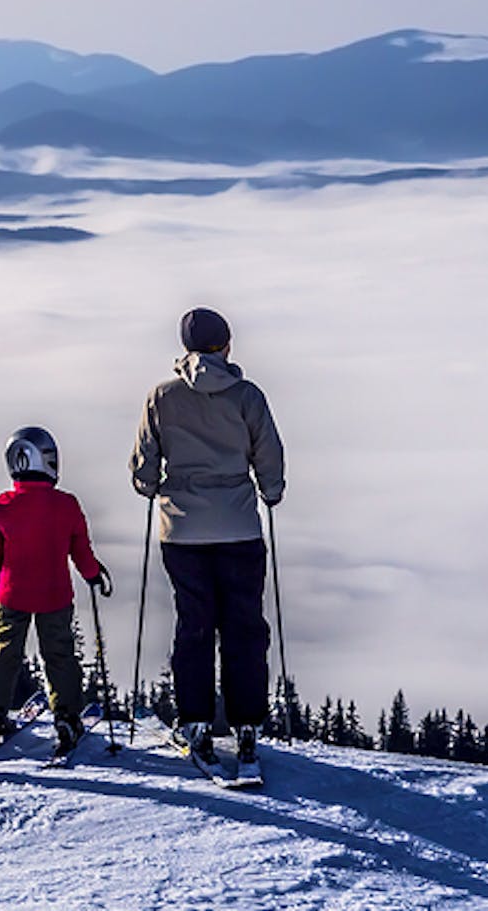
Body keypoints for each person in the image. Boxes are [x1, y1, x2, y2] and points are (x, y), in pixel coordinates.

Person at [129, 307, 285, 774]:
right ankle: (247, 725)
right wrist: (269, 493)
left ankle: (195, 721)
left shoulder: (162, 396)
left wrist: (154, 488)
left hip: (182, 531)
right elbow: (269, 455)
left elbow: (143, 467)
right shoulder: (247, 396)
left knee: (194, 625)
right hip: (238, 526)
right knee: (244, 626)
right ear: (227, 345)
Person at [0, 426, 110, 756]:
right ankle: (66, 718)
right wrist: (93, 575)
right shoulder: (66, 505)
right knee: (60, 655)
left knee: (4, 652)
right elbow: (81, 550)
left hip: (12, 593)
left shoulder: (1, 506)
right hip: (55, 594)